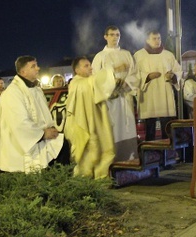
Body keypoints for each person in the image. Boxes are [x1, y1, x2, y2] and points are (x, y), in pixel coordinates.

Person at [0, 56, 65, 173]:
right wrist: (42, 134)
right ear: (23, 72)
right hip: (20, 150)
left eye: (36, 65)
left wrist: (50, 128)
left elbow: (44, 114)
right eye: (33, 66)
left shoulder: (36, 89)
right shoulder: (12, 93)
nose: (38, 68)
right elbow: (18, 123)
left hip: (40, 142)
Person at [91, 26, 139, 162]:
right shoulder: (100, 57)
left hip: (125, 97)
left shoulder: (127, 54)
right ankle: (111, 159)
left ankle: (129, 158)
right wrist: (113, 77)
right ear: (105, 37)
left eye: (117, 35)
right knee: (111, 128)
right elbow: (95, 77)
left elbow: (135, 74)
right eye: (111, 35)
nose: (115, 38)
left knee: (127, 127)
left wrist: (126, 83)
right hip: (109, 100)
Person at [65, 57, 116, 178]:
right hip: (84, 125)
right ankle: (84, 177)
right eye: (86, 66)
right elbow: (96, 82)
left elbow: (101, 89)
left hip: (97, 123)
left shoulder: (90, 81)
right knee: (88, 151)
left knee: (103, 148)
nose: (90, 68)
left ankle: (101, 176)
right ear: (77, 70)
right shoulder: (76, 83)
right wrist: (110, 70)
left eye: (90, 65)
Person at [134, 31, 182, 141]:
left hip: (164, 95)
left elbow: (178, 71)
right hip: (148, 96)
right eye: (154, 38)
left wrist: (173, 76)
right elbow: (134, 74)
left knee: (167, 128)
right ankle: (151, 155)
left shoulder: (168, 55)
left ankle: (168, 153)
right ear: (147, 40)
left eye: (159, 38)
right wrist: (148, 76)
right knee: (150, 129)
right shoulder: (139, 55)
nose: (157, 41)